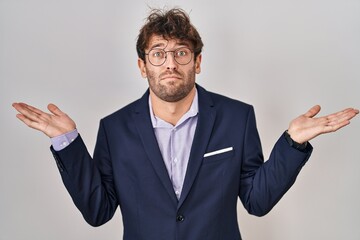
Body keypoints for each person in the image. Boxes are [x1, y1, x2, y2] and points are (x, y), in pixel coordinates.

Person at [12, 8, 358, 240]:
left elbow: (257, 201)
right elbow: (98, 211)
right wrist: (68, 143)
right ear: (142, 66)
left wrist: (292, 143)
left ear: (197, 61)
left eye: (181, 52)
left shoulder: (237, 118)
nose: (170, 64)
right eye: (158, 53)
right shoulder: (114, 129)